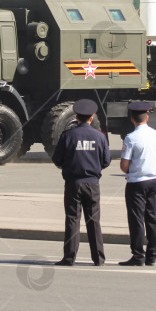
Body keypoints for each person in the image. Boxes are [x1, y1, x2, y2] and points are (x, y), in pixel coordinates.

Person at [51, 98, 112, 266]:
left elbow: (57, 159)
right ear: (91, 118)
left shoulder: (68, 136)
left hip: (73, 183)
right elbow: (106, 161)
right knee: (94, 221)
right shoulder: (100, 137)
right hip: (92, 183)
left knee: (72, 219)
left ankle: (69, 257)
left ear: (76, 117)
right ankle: (98, 258)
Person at [118, 102, 156, 267]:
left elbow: (124, 165)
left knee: (136, 219)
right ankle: (152, 255)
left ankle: (138, 255)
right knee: (152, 218)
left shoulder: (131, 138)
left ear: (132, 119)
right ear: (147, 117)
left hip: (136, 183)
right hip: (153, 180)